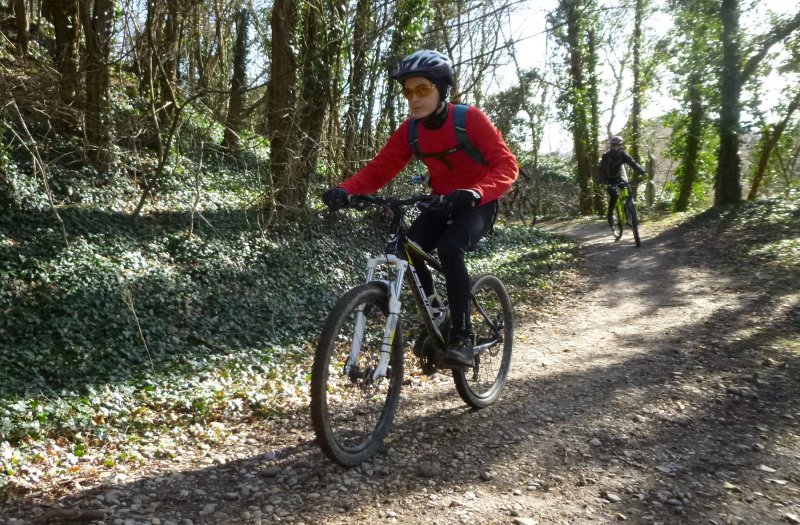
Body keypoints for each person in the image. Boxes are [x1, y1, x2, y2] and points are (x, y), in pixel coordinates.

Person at [322, 49, 518, 369]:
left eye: (422, 89)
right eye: (408, 92)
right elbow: (378, 170)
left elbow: (507, 165)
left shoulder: (470, 119)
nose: (414, 98)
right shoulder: (411, 131)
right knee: (408, 250)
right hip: (440, 202)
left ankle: (462, 336)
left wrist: (475, 191)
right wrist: (345, 190)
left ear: (442, 89)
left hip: (478, 202)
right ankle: (437, 316)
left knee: (450, 247)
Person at [598, 135, 646, 227]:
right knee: (614, 196)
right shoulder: (606, 156)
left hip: (619, 177)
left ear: (620, 146)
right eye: (613, 145)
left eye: (617, 145)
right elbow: (602, 170)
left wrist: (642, 172)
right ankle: (610, 215)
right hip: (609, 180)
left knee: (629, 193)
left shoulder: (623, 155)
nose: (615, 147)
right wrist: (602, 182)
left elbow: (633, 163)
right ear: (611, 146)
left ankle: (630, 217)